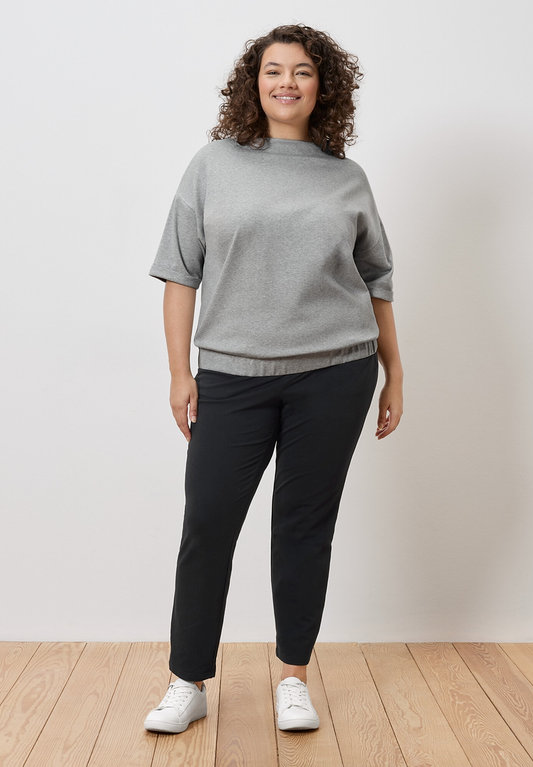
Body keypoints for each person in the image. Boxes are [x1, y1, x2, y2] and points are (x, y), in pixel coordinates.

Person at [143, 23, 403, 735]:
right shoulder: (213, 164)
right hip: (231, 375)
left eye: (303, 73)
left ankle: (294, 676)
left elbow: (376, 279)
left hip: (337, 373)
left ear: (325, 88)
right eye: (272, 71)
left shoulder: (346, 178)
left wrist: (395, 371)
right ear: (252, 83)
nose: (286, 82)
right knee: (207, 527)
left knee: (303, 529)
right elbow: (179, 272)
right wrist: (178, 371)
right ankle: (187, 679)